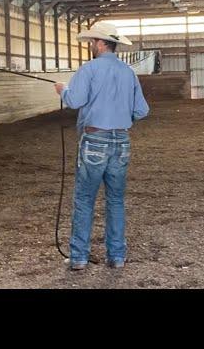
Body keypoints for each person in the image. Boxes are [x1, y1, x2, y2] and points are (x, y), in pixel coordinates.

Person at [54, 22, 149, 270]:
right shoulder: (128, 73)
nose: (91, 46)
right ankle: (116, 256)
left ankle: (79, 258)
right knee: (115, 200)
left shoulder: (89, 69)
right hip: (121, 141)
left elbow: (75, 100)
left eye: (92, 43)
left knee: (85, 199)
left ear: (99, 43)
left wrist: (63, 90)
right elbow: (141, 110)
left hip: (94, 139)